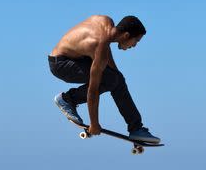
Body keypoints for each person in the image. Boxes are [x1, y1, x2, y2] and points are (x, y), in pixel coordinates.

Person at [49, 15, 161, 143]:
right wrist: (94, 123)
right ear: (125, 36)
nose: (134, 46)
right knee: (111, 79)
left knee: (117, 78)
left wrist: (117, 74)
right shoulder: (98, 45)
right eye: (136, 41)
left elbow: (104, 51)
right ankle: (67, 99)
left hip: (75, 57)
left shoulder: (107, 24)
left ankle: (136, 129)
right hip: (61, 65)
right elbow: (93, 89)